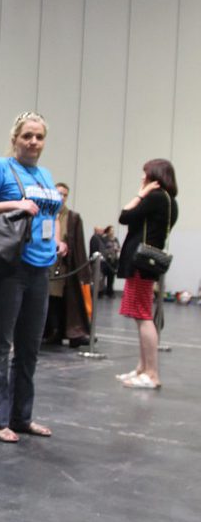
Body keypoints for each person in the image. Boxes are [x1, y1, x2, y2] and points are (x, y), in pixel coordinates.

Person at [0, 113, 65, 444]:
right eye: (27, 136)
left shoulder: (46, 175)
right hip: (6, 269)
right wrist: (16, 204)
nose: (33, 142)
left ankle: (21, 417)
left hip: (39, 269)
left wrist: (57, 241)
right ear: (15, 139)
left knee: (29, 348)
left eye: (39, 136)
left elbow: (53, 213)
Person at [115, 160, 178, 390]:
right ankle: (142, 368)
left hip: (141, 263)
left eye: (145, 174)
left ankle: (151, 373)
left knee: (143, 316)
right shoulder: (170, 200)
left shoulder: (155, 197)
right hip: (147, 262)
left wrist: (141, 193)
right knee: (140, 315)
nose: (142, 177)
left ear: (155, 176)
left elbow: (124, 215)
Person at [43, 182, 91, 347]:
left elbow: (79, 244)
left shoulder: (72, 217)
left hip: (65, 266)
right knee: (48, 298)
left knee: (63, 299)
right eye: (59, 193)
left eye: (64, 194)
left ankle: (63, 332)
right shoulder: (46, 213)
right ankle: (50, 331)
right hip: (46, 263)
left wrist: (83, 271)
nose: (61, 197)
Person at [90, 224, 120, 297]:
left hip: (110, 261)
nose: (102, 231)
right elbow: (97, 249)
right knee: (99, 278)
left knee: (109, 278)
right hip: (100, 260)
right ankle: (98, 292)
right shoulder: (96, 238)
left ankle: (106, 292)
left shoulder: (111, 239)